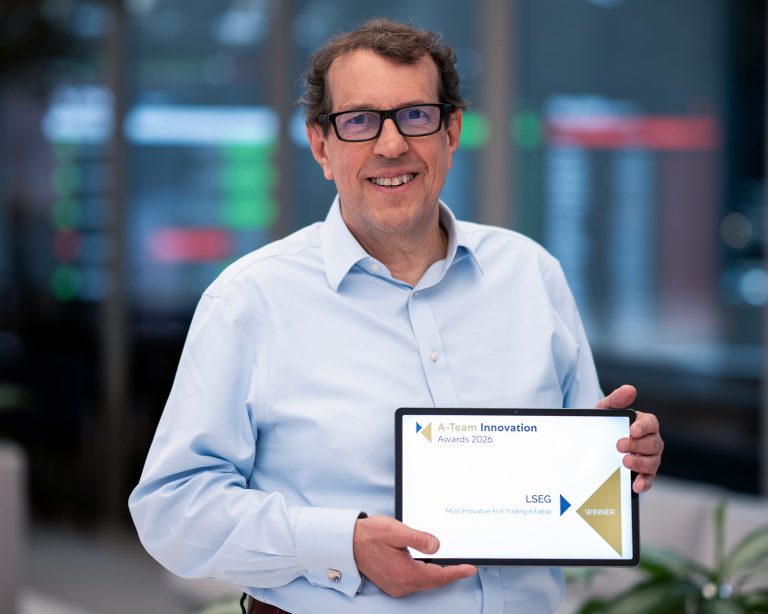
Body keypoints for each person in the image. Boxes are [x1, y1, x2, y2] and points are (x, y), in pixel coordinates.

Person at [129, 17, 663, 614]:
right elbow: (170, 510)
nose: (391, 145)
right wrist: (344, 545)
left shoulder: (530, 274)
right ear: (320, 146)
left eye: (415, 115)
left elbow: (580, 482)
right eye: (358, 121)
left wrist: (623, 456)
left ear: (452, 131)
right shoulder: (251, 301)